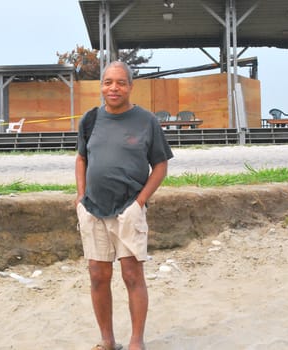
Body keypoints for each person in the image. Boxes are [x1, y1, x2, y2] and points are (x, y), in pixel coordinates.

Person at [75, 61, 173, 350]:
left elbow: (160, 165)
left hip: (129, 209)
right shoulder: (90, 119)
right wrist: (81, 197)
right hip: (93, 208)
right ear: (101, 86)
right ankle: (107, 340)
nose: (113, 88)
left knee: (132, 274)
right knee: (97, 275)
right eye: (107, 82)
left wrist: (140, 203)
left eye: (120, 82)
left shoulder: (146, 121)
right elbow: (81, 158)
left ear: (131, 86)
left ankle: (136, 341)